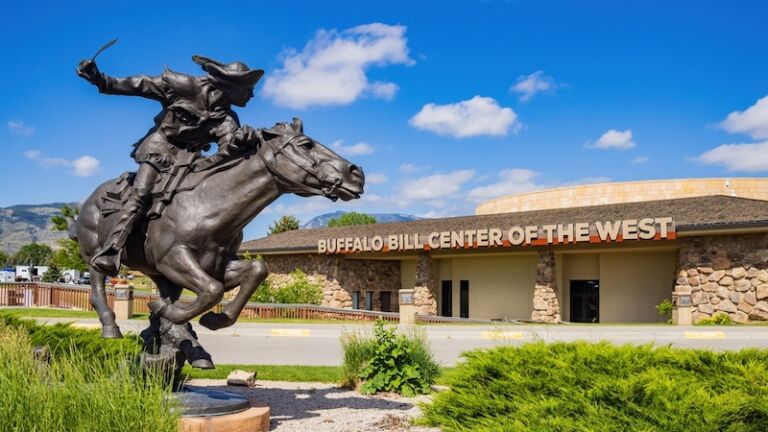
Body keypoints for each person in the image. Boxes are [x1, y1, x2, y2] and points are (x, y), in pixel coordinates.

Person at [76, 55, 263, 274]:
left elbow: (227, 153)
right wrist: (100, 79)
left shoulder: (227, 120)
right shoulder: (186, 87)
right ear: (231, 86)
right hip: (160, 148)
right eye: (248, 87)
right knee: (142, 190)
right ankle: (112, 249)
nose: (252, 94)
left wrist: (244, 142)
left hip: (188, 160)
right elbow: (140, 85)